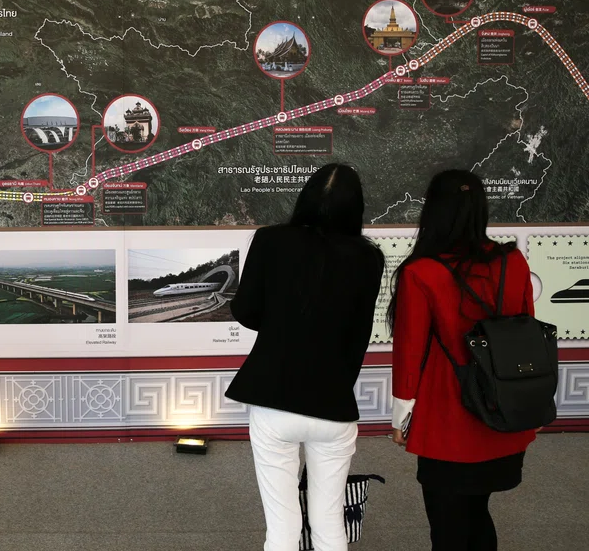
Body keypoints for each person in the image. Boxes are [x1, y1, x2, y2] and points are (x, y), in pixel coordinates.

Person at [226, 163, 385, 551]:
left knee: (282, 527)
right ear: (356, 208)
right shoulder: (369, 257)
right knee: (329, 522)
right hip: (333, 403)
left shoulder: (269, 240)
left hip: (273, 398)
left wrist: (282, 320)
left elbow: (246, 312)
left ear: (306, 197)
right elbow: (357, 338)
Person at [388, 169, 538, 551]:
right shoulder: (513, 261)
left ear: (433, 212)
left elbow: (410, 352)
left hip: (446, 417)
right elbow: (527, 334)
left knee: (447, 523)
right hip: (502, 409)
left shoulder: (421, 272)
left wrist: (401, 417)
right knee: (477, 513)